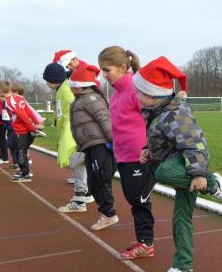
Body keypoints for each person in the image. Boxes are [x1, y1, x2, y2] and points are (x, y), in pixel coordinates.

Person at [133, 56, 222, 272]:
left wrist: (200, 175)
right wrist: (147, 150)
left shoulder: (176, 113)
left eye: (141, 92)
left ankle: (214, 183)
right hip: (180, 166)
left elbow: (195, 144)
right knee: (181, 218)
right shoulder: (155, 111)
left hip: (188, 164)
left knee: (162, 174)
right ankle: (183, 270)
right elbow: (160, 138)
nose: (137, 96)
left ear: (156, 93)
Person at [98, 46, 158, 259]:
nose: (104, 75)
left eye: (107, 70)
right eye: (102, 70)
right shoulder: (116, 94)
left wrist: (149, 148)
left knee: (139, 200)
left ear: (123, 67)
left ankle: (146, 243)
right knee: (133, 199)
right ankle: (144, 239)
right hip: (123, 155)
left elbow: (153, 119)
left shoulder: (134, 90)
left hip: (138, 156)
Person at [68, 63, 118, 230]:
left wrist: (114, 141)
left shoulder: (91, 99)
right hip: (89, 145)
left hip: (98, 145)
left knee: (99, 179)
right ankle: (107, 213)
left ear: (77, 86)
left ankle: (109, 214)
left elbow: (104, 119)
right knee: (93, 181)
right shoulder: (81, 99)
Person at [43, 62, 94, 212]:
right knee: (80, 166)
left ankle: (80, 200)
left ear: (53, 80)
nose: (46, 83)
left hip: (75, 133)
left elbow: (72, 114)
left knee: (73, 162)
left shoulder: (66, 91)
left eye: (47, 80)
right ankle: (84, 195)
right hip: (76, 132)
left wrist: (67, 138)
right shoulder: (62, 89)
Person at [3, 82, 44, 182]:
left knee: (21, 152)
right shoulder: (20, 98)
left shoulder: (10, 101)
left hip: (21, 130)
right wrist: (36, 122)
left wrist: (33, 128)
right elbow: (29, 111)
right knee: (22, 151)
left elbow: (23, 114)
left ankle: (25, 174)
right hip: (24, 129)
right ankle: (24, 171)